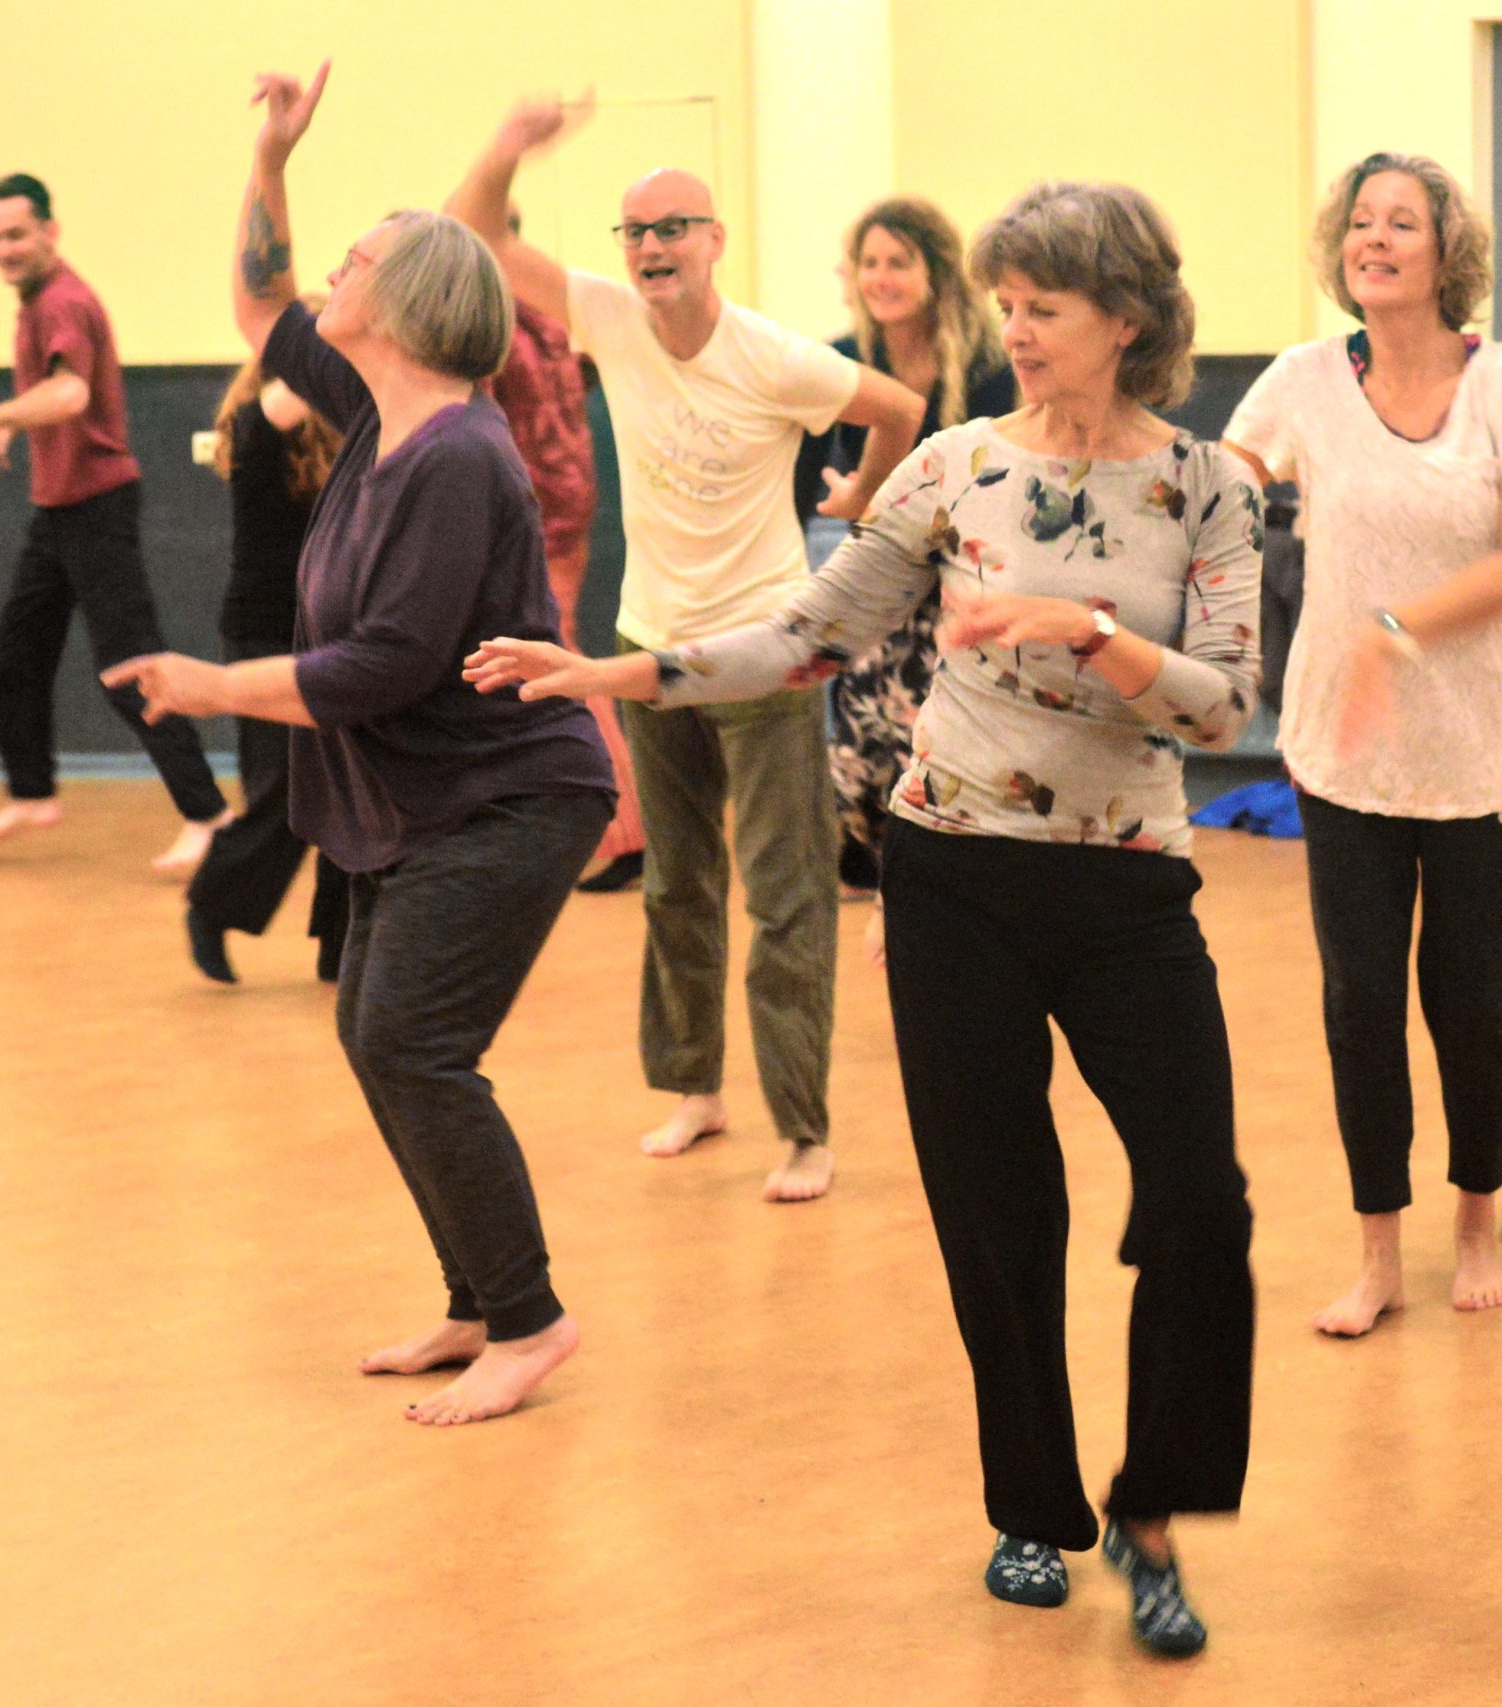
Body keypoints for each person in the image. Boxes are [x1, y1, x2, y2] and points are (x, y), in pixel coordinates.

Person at [469, 180, 1263, 1659]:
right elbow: (807, 632)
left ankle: (1157, 1511)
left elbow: (1228, 700)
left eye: (1049, 309)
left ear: (1129, 322)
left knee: (1203, 1204)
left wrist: (1090, 633)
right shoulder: (952, 466)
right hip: (953, 867)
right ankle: (1034, 1507)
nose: (1018, 330)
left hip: (1130, 884)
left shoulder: (1211, 485)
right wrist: (613, 675)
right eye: (1010, 304)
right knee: (997, 1204)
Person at [105, 63, 616, 1425]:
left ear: (412, 304)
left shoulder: (460, 456)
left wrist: (216, 684)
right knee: (376, 1028)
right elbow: (261, 303)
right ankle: (473, 1294)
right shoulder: (381, 413)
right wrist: (271, 156)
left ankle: (530, 1320)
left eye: (360, 259)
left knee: (414, 1041)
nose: (333, 269)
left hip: (512, 796)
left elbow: (387, 663)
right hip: (430, 794)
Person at [446, 96, 926, 1202]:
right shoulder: (606, 317)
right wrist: (510, 141)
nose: (655, 246)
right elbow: (475, 233)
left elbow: (897, 407)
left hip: (763, 652)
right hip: (648, 641)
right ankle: (694, 1088)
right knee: (676, 884)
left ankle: (803, 1129)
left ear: (714, 241)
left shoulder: (774, 356)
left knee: (788, 890)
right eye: (638, 230)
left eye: (675, 227)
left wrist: (864, 491)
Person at [1225, 152, 1502, 1333]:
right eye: (1360, 222)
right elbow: (1212, 499)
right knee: (1358, 1003)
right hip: (1344, 749)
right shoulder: (1300, 379)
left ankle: (1474, 1221)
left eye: (1401, 223)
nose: (1374, 239)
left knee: (1474, 1006)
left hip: (1479, 748)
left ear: (1445, 254)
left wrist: (1394, 631)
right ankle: (1377, 1254)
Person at [0, 172, 230, 869]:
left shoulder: (64, 302)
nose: (5, 248)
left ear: (50, 230)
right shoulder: (36, 301)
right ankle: (32, 792)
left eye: (17, 234)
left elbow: (71, 392)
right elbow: (58, 396)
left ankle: (209, 813)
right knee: (17, 652)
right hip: (57, 510)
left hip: (95, 508)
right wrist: (17, 428)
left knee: (130, 666)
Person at [792, 198, 1016, 931]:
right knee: (863, 731)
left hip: (961, 568)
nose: (881, 278)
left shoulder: (986, 362)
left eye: (898, 262)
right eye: (870, 263)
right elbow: (808, 476)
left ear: (935, 272)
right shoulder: (844, 358)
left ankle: (944, 873)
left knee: (941, 730)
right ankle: (874, 854)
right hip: (877, 564)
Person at [482, 206, 647, 895]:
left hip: (535, 514)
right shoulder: (550, 320)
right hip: (566, 504)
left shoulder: (495, 326)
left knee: (563, 665)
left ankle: (626, 827)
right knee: (552, 660)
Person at [182, 332, 349, 984]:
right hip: (264, 637)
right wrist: (334, 339)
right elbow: (268, 411)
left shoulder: (356, 443)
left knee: (353, 793)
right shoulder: (255, 439)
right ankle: (212, 904)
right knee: (283, 793)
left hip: (335, 637)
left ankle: (342, 943)